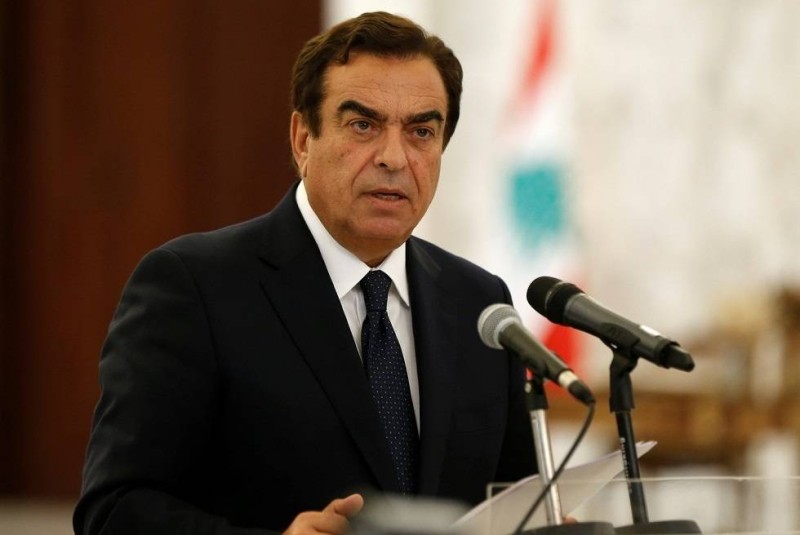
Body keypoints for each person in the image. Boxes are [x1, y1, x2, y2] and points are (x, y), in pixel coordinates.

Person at [74, 11, 536, 535]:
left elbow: (514, 501)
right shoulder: (193, 286)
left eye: (421, 131)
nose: (394, 157)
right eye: (363, 125)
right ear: (302, 139)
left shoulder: (479, 303)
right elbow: (114, 510)